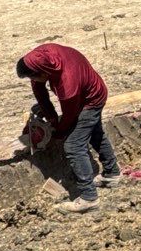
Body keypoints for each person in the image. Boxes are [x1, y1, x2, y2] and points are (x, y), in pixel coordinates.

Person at [16, 42, 120, 213]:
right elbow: (40, 91)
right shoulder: (39, 59)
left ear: (43, 73)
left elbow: (70, 114)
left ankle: (89, 198)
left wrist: (58, 132)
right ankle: (112, 174)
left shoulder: (67, 81)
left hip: (91, 100)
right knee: (95, 134)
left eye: (33, 77)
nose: (32, 81)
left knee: (73, 145)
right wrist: (51, 117)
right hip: (86, 89)